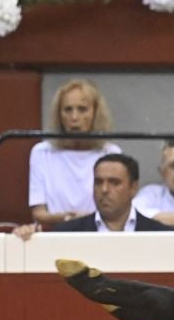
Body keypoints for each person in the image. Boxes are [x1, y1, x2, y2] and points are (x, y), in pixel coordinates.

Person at [27, 79, 122, 228]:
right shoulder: (42, 152)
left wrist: (84, 220)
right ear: (59, 115)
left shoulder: (110, 152)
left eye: (82, 109)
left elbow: (116, 210)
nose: (74, 117)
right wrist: (67, 218)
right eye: (68, 110)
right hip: (56, 233)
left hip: (99, 232)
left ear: (95, 114)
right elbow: (39, 213)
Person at [14, 153, 168, 238]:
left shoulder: (162, 235)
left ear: (133, 188)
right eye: (98, 182)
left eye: (114, 182)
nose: (105, 189)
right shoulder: (65, 233)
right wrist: (28, 237)